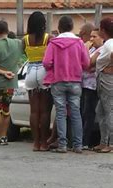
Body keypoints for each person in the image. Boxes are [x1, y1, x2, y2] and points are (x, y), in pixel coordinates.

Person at [43, 16, 90, 153]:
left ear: (59, 27)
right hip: (75, 81)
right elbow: (86, 63)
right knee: (76, 113)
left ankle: (62, 144)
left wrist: (54, 67)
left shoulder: (53, 43)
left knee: (60, 113)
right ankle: (78, 145)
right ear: (71, 27)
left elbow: (46, 62)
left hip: (58, 80)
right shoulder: (79, 42)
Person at [23, 11, 53, 151]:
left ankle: (35, 143)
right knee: (45, 110)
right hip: (44, 71)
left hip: (30, 72)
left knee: (34, 111)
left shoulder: (26, 39)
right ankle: (44, 142)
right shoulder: (49, 38)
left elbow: (25, 53)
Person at [91, 17, 113, 153]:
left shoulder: (110, 42)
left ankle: (111, 143)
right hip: (103, 79)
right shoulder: (106, 43)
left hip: (107, 80)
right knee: (101, 111)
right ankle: (103, 141)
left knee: (109, 111)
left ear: (103, 30)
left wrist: (110, 69)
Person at [81, 28, 104, 149]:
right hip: (85, 84)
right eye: (90, 36)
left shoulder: (101, 49)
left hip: (93, 86)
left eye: (94, 37)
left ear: (102, 37)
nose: (91, 39)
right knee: (85, 113)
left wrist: (84, 48)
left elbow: (88, 63)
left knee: (89, 113)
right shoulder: (92, 49)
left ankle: (86, 141)